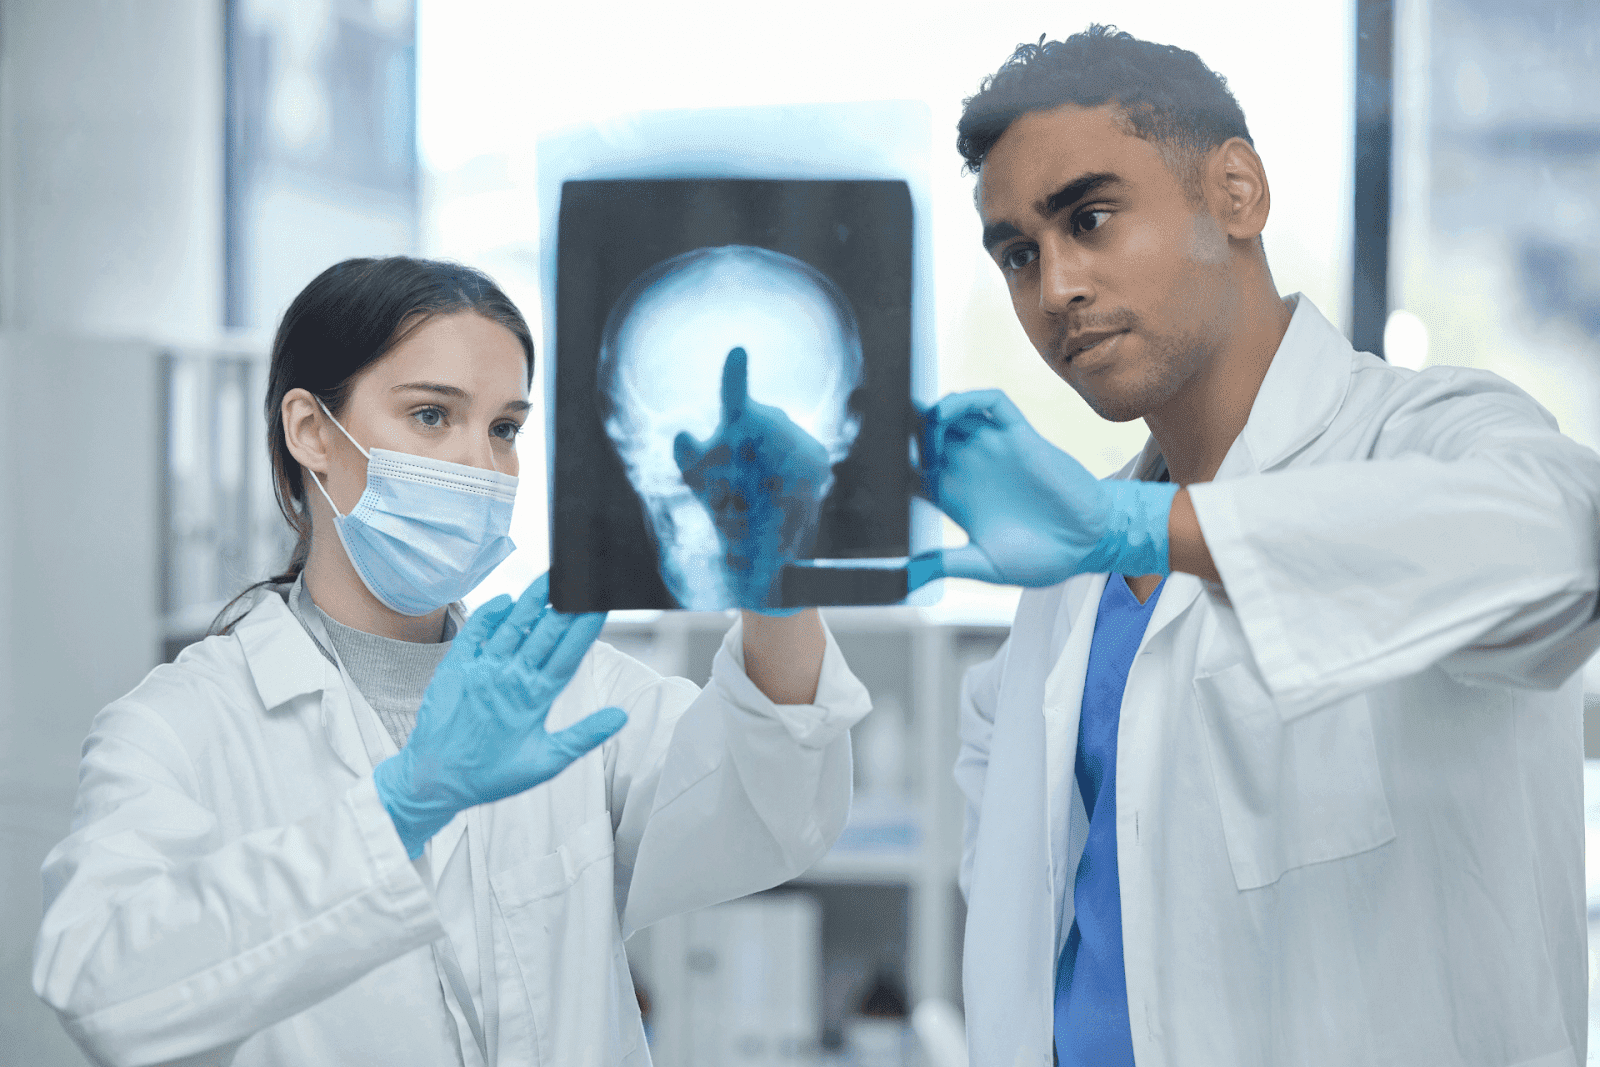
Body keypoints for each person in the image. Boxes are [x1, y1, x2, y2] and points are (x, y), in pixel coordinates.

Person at [910, 25, 1600, 1067]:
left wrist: (1138, 530)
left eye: (1090, 219)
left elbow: (1560, 545)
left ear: (1236, 192)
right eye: (1019, 255)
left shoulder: (1425, 433)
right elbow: (1031, 919)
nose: (1055, 290)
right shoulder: (1072, 580)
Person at [33, 256, 872, 1067]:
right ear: (311, 431)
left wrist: (777, 576)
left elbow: (768, 808)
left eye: (504, 427)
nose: (482, 462)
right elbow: (105, 993)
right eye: (432, 415)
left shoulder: (571, 690)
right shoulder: (179, 728)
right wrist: (407, 802)